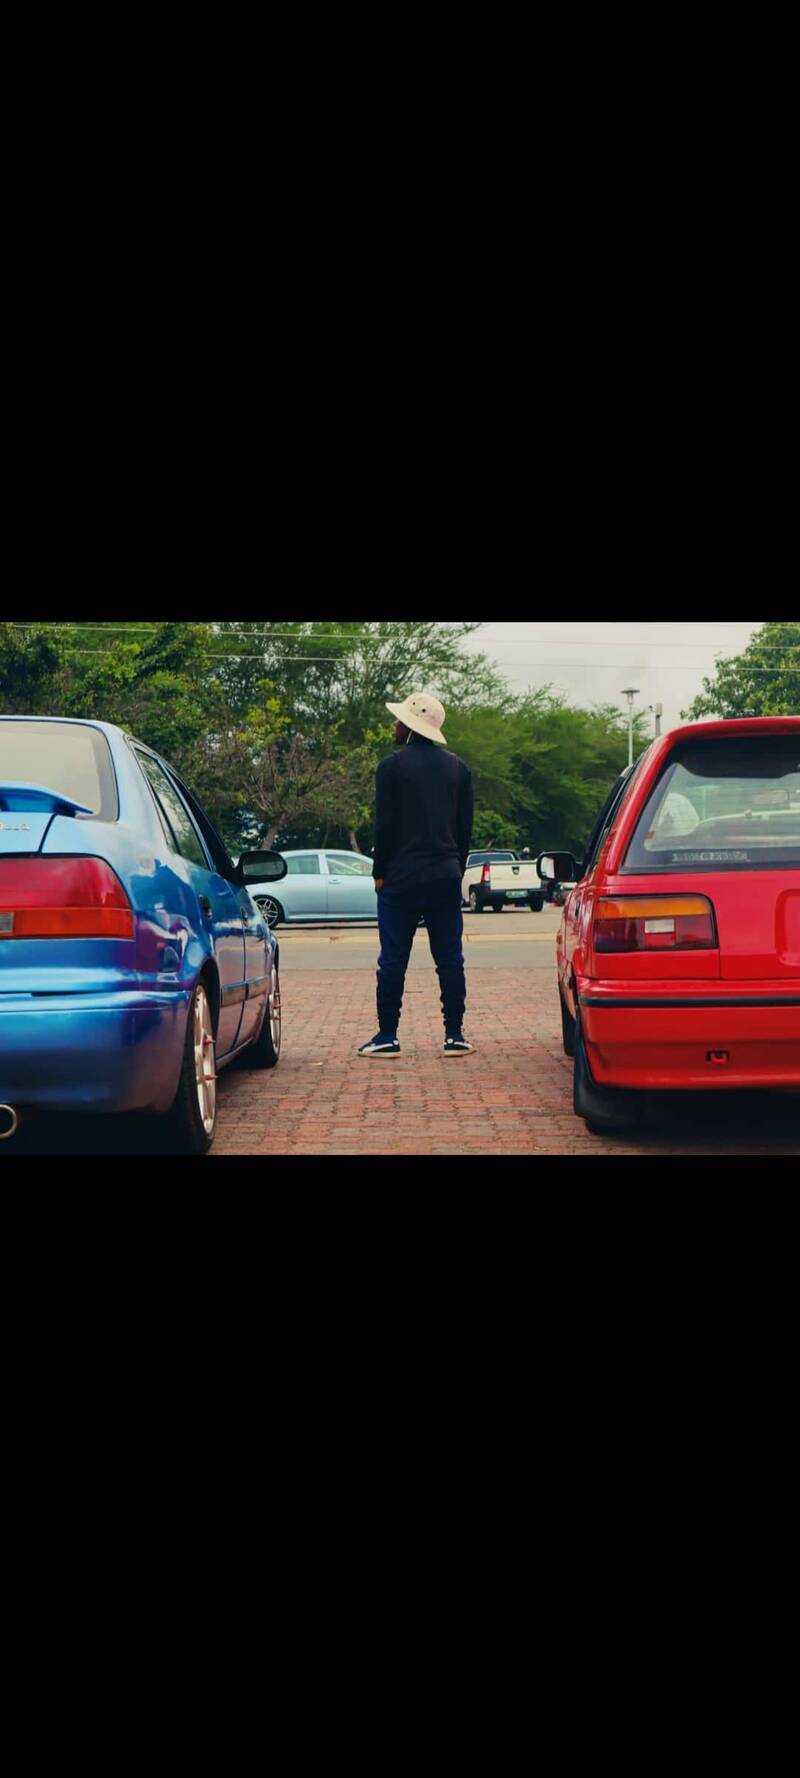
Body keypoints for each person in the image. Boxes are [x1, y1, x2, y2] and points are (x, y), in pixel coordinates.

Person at [358, 692, 474, 1058]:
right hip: (445, 875)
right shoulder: (459, 768)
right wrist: (457, 868)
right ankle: (454, 1034)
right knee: (450, 958)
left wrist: (379, 872)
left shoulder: (391, 767)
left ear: (410, 727)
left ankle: (387, 1036)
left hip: (401, 877)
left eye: (399, 721)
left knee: (393, 959)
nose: (394, 725)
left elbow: (385, 825)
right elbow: (464, 828)